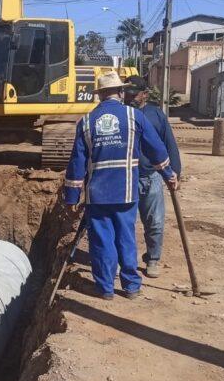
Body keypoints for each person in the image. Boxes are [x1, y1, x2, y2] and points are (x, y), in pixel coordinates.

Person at [63, 72, 179, 300]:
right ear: (121, 92)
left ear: (100, 96)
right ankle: (131, 287)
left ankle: (106, 288)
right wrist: (169, 173)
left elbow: (76, 164)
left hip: (97, 194)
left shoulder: (86, 122)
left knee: (102, 240)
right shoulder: (133, 116)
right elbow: (156, 148)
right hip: (126, 190)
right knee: (126, 237)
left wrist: (71, 198)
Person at [124, 76, 182, 279]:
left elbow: (169, 144)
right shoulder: (122, 114)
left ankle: (153, 259)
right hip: (126, 178)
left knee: (155, 222)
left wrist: (175, 172)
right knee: (126, 223)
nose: (129, 98)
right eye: (127, 94)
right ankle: (125, 261)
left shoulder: (155, 115)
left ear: (145, 94)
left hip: (152, 176)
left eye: (134, 94)